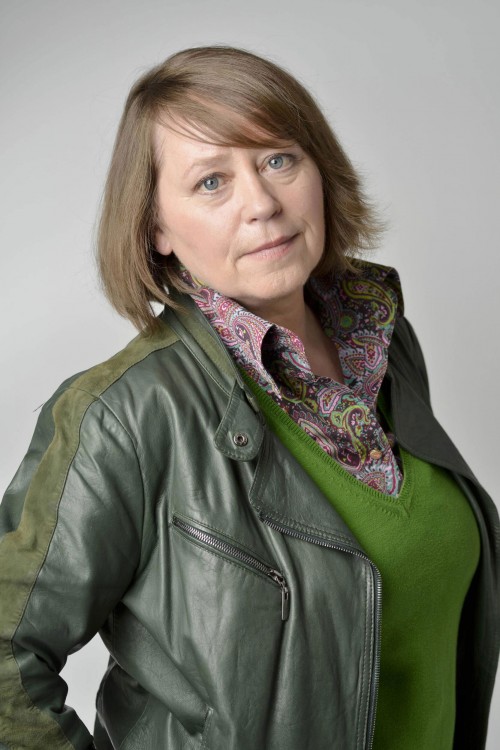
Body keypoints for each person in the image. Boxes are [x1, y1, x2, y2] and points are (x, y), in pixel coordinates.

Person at [0, 45, 498, 750]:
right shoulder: (124, 416)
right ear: (155, 228)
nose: (262, 204)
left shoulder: (385, 344)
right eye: (211, 181)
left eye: (278, 160)